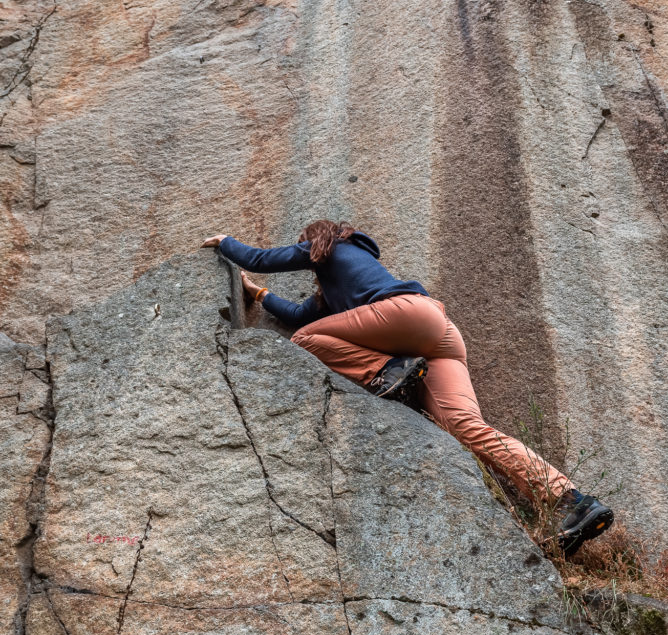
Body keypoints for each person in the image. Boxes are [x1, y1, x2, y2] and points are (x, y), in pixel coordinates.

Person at [202, 219, 613, 555]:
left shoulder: (334, 247)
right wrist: (258, 292)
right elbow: (297, 313)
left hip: (404, 317)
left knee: (306, 341)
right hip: (442, 338)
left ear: (316, 240)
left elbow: (261, 260)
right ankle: (571, 501)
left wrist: (226, 242)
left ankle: (389, 370)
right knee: (465, 428)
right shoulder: (340, 289)